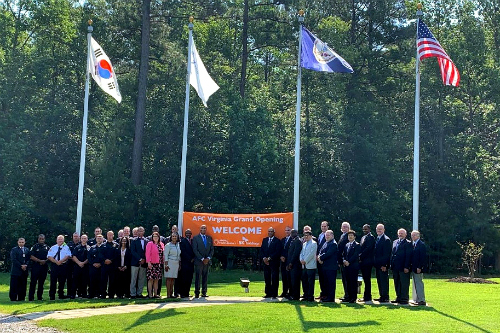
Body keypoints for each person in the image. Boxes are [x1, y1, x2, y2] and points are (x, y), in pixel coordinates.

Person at [47, 235, 72, 300]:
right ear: (56, 240)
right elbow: (49, 256)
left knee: (62, 281)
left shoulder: (66, 247)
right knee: (53, 281)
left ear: (63, 240)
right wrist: (56, 261)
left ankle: (61, 294)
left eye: (61, 239)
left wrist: (61, 261)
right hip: (54, 266)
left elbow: (68, 256)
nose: (60, 240)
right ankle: (52, 295)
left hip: (63, 266)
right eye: (59, 239)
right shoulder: (53, 247)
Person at [192, 224, 214, 298]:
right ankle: (197, 293)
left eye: (205, 228)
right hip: (199, 261)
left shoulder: (209, 238)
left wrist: (208, 258)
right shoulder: (195, 238)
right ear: (200, 229)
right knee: (198, 277)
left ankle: (204, 292)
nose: (203, 229)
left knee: (205, 277)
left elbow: (212, 250)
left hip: (207, 261)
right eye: (202, 228)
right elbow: (195, 249)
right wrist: (202, 258)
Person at [391, 228, 412, 305]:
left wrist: (407, 267)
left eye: (402, 233)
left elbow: (408, 256)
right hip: (395, 266)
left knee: (404, 283)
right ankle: (398, 297)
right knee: (397, 282)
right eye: (399, 233)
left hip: (404, 267)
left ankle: (404, 298)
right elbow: (393, 254)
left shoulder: (408, 243)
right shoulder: (395, 242)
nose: (400, 235)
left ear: (405, 234)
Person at [260, 227, 281, 299]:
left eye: (271, 231)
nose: (270, 232)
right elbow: (262, 250)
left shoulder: (277, 241)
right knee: (267, 278)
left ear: (274, 232)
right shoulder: (265, 240)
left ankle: (274, 293)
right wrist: (264, 258)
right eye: (269, 231)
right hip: (265, 263)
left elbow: (277, 252)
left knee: (274, 278)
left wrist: (269, 258)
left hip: (274, 262)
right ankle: (268, 293)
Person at [317, 230, 338, 302]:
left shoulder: (333, 244)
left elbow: (328, 253)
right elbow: (321, 251)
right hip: (325, 266)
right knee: (326, 282)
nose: (327, 236)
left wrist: (320, 258)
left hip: (331, 267)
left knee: (331, 283)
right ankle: (327, 296)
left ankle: (331, 298)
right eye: (326, 235)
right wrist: (319, 257)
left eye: (328, 235)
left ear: (332, 235)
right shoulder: (326, 242)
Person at [28, 234, 50, 301]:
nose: (41, 240)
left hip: (44, 267)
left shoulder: (47, 247)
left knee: (41, 283)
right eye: (40, 239)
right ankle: (31, 297)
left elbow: (50, 256)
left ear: (44, 239)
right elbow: (31, 256)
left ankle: (39, 297)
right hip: (35, 267)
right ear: (38, 239)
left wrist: (45, 261)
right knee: (33, 282)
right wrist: (39, 261)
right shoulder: (34, 247)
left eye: (42, 239)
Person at [373, 223, 391, 303]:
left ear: (384, 230)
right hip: (377, 265)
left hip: (383, 265)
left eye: (380, 229)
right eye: (378, 229)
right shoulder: (377, 238)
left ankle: (385, 297)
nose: (379, 230)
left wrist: (385, 265)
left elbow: (387, 254)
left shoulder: (386, 239)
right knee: (379, 281)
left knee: (384, 281)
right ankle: (381, 296)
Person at [342, 230, 360, 303]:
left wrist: (349, 262)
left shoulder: (357, 245)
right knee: (348, 282)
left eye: (351, 235)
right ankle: (348, 296)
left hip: (353, 266)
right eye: (349, 236)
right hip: (346, 266)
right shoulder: (346, 245)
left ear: (354, 237)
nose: (350, 237)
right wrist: (344, 261)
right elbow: (344, 254)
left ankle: (353, 297)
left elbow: (355, 255)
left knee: (353, 282)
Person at [358, 224, 375, 302]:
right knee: (364, 279)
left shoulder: (371, 237)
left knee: (367, 280)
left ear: (369, 229)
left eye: (366, 229)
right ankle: (366, 296)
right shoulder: (363, 237)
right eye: (363, 229)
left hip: (367, 262)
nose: (364, 230)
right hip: (363, 262)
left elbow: (368, 249)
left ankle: (367, 296)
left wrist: (360, 256)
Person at [130, 226, 148, 298]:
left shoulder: (147, 241)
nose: (140, 232)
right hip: (135, 262)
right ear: (137, 232)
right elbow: (133, 251)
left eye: (142, 231)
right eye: (139, 231)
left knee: (141, 279)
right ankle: (133, 294)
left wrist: (144, 259)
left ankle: (139, 293)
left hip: (144, 263)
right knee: (133, 279)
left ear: (144, 232)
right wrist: (140, 259)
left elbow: (147, 252)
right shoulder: (133, 241)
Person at [100, 230, 119, 299]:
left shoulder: (116, 245)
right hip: (104, 265)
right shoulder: (103, 245)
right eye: (109, 235)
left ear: (113, 236)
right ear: (107, 236)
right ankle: (103, 294)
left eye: (111, 235)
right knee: (103, 280)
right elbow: (100, 254)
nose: (110, 236)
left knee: (112, 280)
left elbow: (117, 255)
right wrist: (105, 260)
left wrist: (111, 260)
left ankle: (111, 294)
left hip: (112, 265)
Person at [146, 231, 164, 298]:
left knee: (156, 279)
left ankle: (156, 294)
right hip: (152, 264)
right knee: (151, 279)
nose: (155, 238)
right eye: (154, 236)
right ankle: (150, 294)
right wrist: (149, 262)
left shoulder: (161, 244)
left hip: (158, 264)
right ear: (152, 237)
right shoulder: (150, 244)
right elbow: (147, 254)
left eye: (157, 236)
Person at [300, 231, 317, 302]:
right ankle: (305, 295)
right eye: (305, 235)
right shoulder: (304, 244)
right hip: (304, 266)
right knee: (304, 281)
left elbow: (311, 254)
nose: (306, 237)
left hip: (311, 265)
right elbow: (301, 253)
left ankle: (310, 296)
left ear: (311, 236)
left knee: (310, 282)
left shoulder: (314, 243)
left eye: (307, 235)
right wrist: (301, 259)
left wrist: (305, 260)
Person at [70, 234, 89, 299]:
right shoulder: (77, 247)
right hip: (77, 266)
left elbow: (89, 257)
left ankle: (83, 294)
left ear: (87, 239)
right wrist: (79, 263)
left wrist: (83, 263)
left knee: (84, 281)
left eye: (85, 238)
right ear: (80, 239)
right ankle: (73, 294)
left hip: (85, 266)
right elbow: (74, 256)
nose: (84, 239)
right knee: (75, 281)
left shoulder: (89, 248)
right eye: (82, 238)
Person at [410, 230, 426, 306]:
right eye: (412, 235)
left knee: (419, 283)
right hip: (413, 267)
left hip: (418, 268)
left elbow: (423, 257)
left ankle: (422, 300)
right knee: (416, 283)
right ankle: (417, 299)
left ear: (418, 236)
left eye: (414, 235)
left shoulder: (421, 244)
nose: (413, 237)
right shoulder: (413, 244)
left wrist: (419, 267)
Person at [164, 232, 181, 298]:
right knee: (169, 278)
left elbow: (179, 255)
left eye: (175, 236)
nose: (174, 237)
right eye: (173, 236)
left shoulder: (178, 245)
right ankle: (168, 294)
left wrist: (179, 264)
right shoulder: (168, 245)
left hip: (176, 263)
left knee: (173, 279)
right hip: (169, 263)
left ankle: (171, 293)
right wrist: (166, 265)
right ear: (171, 237)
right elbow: (165, 255)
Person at [178, 229, 195, 298]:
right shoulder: (182, 241)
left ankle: (187, 292)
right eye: (187, 233)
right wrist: (189, 259)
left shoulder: (192, 241)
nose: (188, 234)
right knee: (183, 278)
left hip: (191, 264)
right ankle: (182, 293)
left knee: (189, 278)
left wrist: (193, 258)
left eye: (189, 233)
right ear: (185, 234)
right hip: (185, 263)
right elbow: (183, 252)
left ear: (191, 234)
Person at [88, 234, 105, 298]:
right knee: (92, 281)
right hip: (93, 267)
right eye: (98, 238)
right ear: (96, 239)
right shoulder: (92, 248)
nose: (99, 239)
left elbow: (106, 256)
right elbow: (89, 257)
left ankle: (101, 294)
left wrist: (101, 263)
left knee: (101, 281)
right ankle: (92, 294)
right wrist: (93, 263)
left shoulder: (105, 247)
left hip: (102, 267)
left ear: (103, 239)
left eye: (100, 238)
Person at [337, 221, 350, 300]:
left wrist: (345, 260)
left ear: (349, 228)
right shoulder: (342, 236)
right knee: (344, 279)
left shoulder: (348, 236)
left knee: (347, 279)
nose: (344, 228)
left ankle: (348, 295)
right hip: (341, 261)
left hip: (346, 261)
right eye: (343, 226)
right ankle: (346, 294)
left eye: (346, 227)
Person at [316, 221, 329, 300]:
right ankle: (322, 293)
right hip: (318, 259)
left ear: (327, 227)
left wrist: (321, 258)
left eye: (325, 226)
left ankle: (326, 294)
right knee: (321, 278)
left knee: (325, 278)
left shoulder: (328, 235)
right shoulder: (320, 235)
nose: (323, 228)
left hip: (325, 260)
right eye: (322, 226)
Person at [66, 232, 80, 299]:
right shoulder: (69, 244)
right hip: (70, 264)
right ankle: (69, 293)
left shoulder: (81, 244)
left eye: (77, 236)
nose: (76, 238)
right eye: (74, 236)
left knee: (78, 279)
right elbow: (66, 254)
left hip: (78, 264)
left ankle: (78, 293)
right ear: (72, 237)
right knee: (69, 279)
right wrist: (73, 259)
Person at [279, 226, 292, 298]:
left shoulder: (292, 240)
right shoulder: (283, 240)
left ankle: (290, 293)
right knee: (284, 277)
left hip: (289, 261)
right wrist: (281, 256)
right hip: (283, 261)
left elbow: (290, 251)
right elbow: (280, 250)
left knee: (289, 278)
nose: (287, 232)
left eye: (288, 230)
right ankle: (284, 292)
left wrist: (286, 258)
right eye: (286, 230)